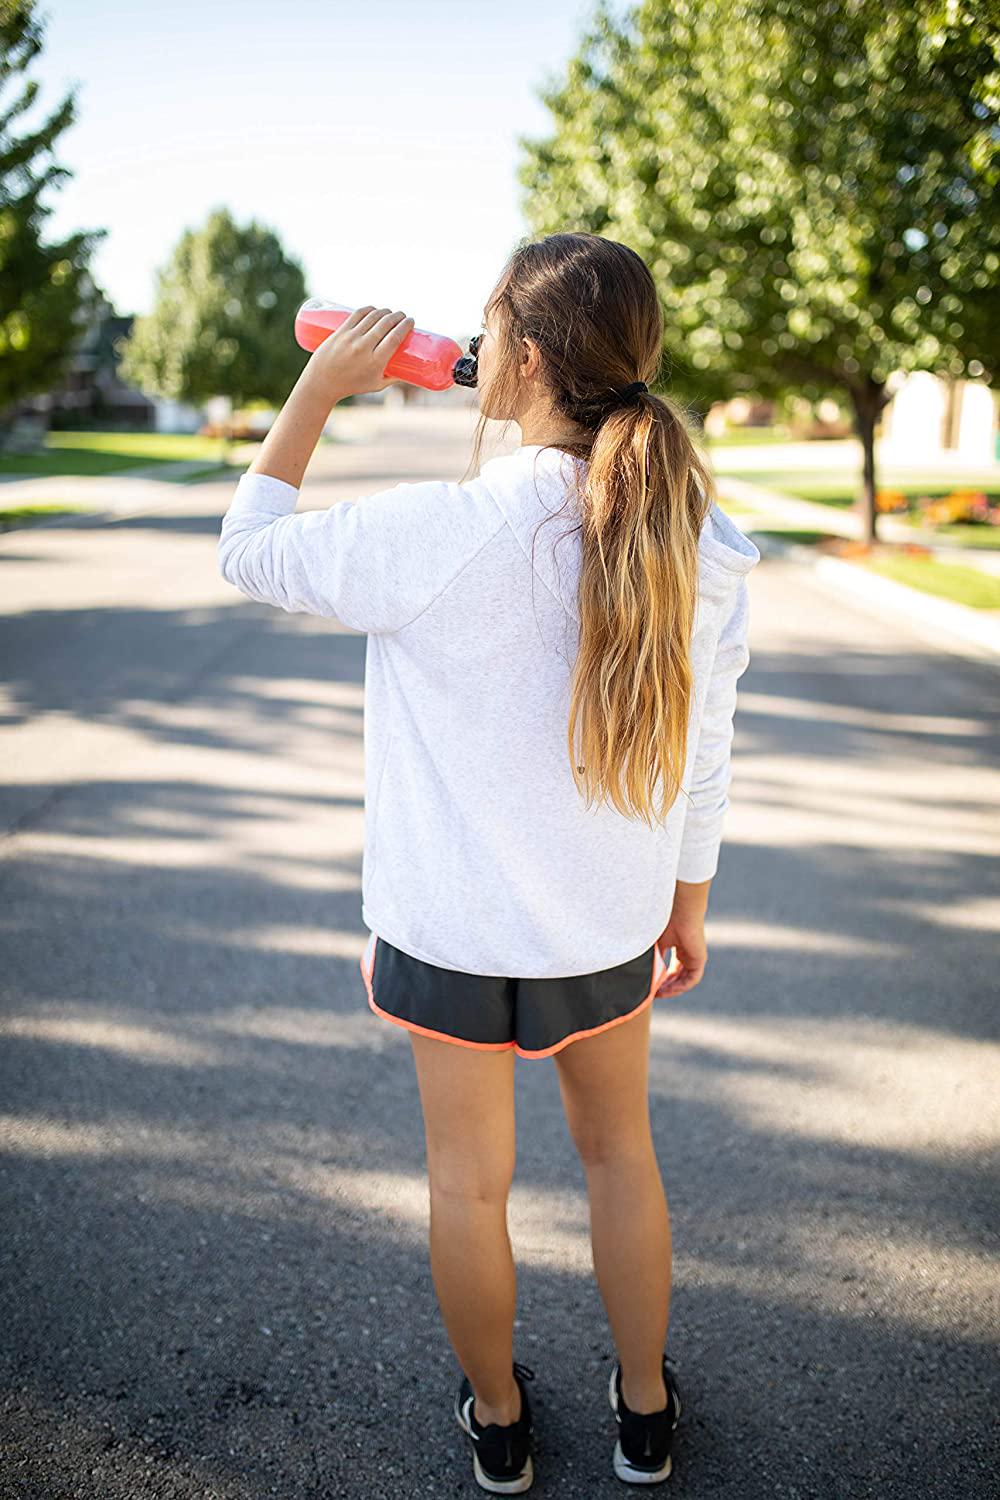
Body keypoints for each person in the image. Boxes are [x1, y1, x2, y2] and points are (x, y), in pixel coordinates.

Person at [218, 231, 761, 1493]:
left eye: (488, 331)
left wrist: (317, 388)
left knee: (468, 1186)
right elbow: (706, 751)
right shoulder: (702, 539)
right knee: (619, 1156)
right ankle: (643, 1415)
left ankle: (501, 1425)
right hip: (603, 926)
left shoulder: (435, 529)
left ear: (519, 361)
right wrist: (687, 903)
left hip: (449, 931)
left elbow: (247, 546)